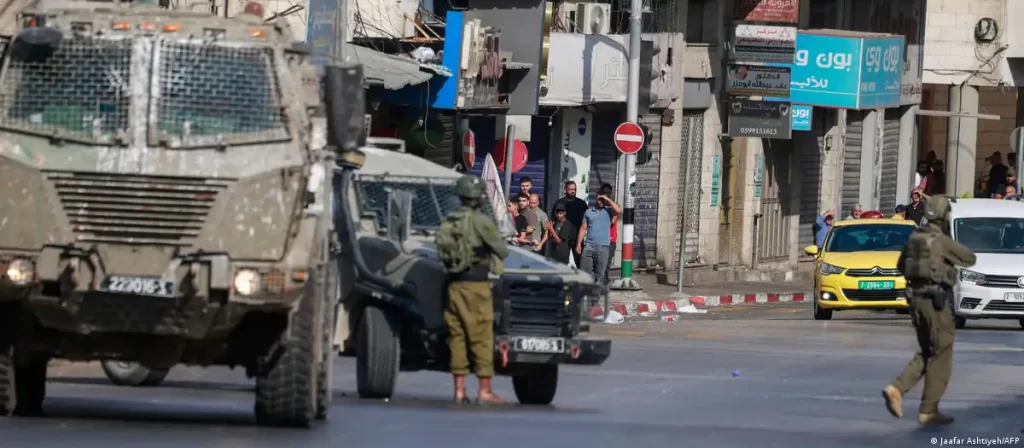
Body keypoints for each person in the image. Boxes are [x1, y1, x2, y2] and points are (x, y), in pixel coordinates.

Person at [883, 195, 976, 426]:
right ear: (944, 216)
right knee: (942, 352)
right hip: (935, 303)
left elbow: (900, 265)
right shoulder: (941, 241)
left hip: (915, 301)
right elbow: (969, 258)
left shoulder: (914, 238)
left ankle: (899, 389)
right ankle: (927, 409)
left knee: (928, 350)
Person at [435, 175, 510, 405]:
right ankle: (485, 390)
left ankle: (459, 390)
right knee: (482, 336)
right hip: (476, 286)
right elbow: (502, 250)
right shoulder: (481, 221)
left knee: (457, 336)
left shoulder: (450, 220)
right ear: (478, 197)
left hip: (454, 285)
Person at [576, 191, 621, 286]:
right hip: (589, 246)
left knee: (599, 275)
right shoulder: (588, 212)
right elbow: (583, 228)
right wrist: (578, 244)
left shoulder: (608, 211)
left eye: (603, 199)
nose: (601, 201)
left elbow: (618, 211)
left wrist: (607, 199)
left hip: (603, 247)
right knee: (584, 273)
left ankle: (596, 293)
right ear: (596, 199)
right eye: (599, 199)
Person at [551, 181, 589, 265]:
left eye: (574, 189)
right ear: (565, 189)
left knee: (580, 263)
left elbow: (587, 220)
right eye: (570, 189)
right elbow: (553, 219)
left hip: (577, 237)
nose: (572, 191)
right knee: (561, 263)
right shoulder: (559, 203)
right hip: (562, 238)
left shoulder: (581, 203)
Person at [599, 183, 619, 283]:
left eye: (608, 194)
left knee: (606, 263)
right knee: (599, 262)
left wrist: (608, 201)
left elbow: (612, 221)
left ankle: (604, 281)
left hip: (610, 239)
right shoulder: (599, 207)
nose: (607, 195)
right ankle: (601, 281)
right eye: (604, 193)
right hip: (600, 239)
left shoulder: (613, 207)